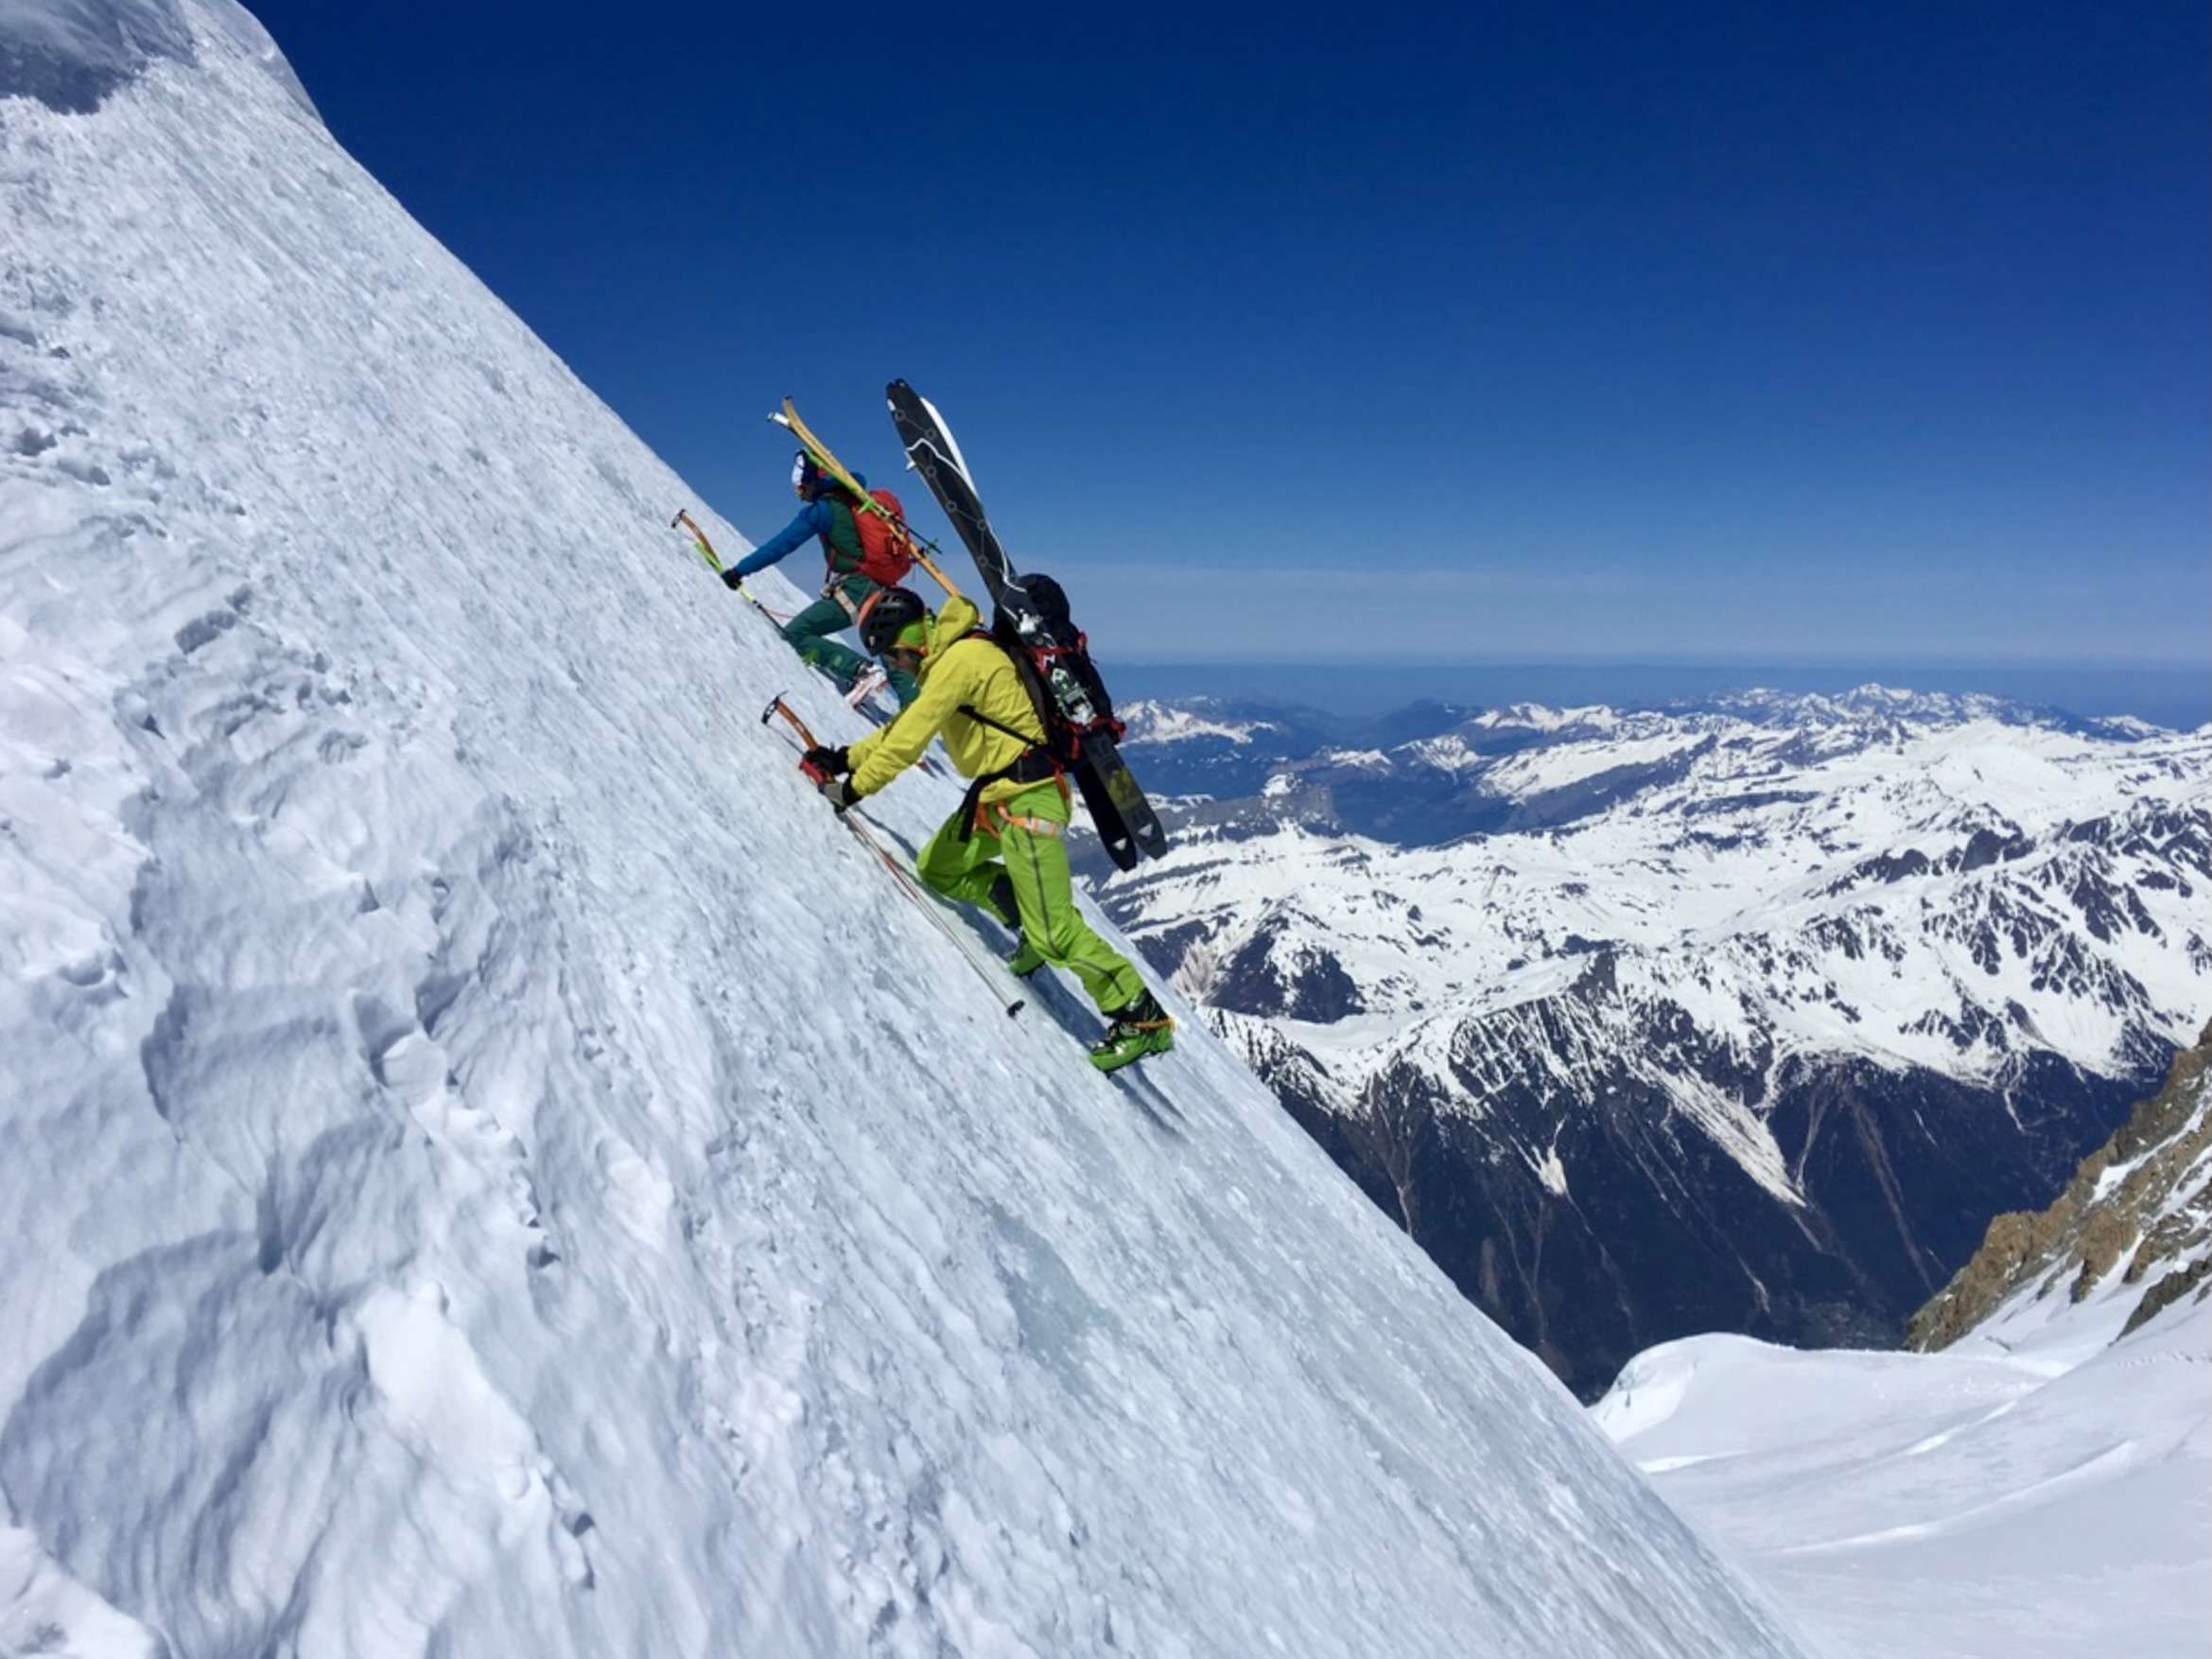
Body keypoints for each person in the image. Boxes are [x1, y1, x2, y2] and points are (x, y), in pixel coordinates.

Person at [807, 586, 1175, 1072]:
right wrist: (845, 759)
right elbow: (905, 728)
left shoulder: (962, 661)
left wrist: (851, 791)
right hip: (997, 798)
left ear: (912, 638)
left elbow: (908, 743)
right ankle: (1022, 916)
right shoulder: (950, 663)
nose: (896, 664)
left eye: (894, 653)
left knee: (1056, 934)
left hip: (1028, 801)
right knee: (939, 868)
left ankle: (1140, 1017)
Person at [722, 452, 917, 707]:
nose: (798, 493)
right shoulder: (856, 501)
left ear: (813, 482)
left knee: (797, 633)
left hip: (856, 589)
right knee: (893, 656)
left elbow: (781, 545)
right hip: (885, 588)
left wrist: (739, 571)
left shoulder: (822, 510)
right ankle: (919, 720)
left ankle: (860, 670)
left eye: (800, 486)